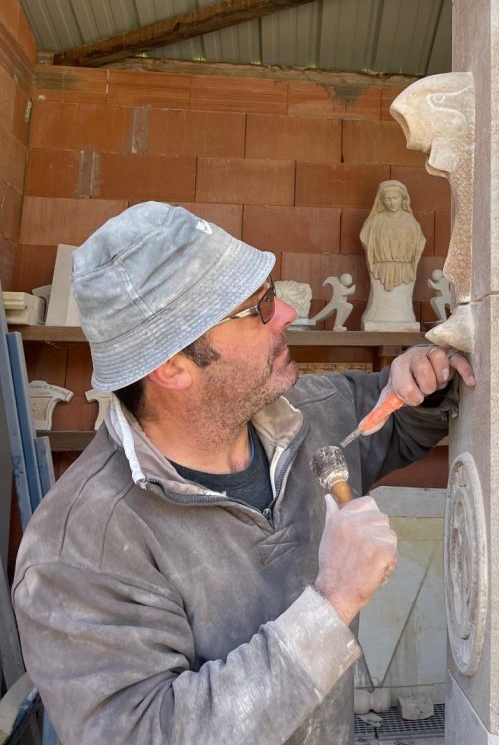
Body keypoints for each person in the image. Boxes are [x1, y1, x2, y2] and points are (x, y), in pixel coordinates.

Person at [11, 202, 475, 744]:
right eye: (258, 309)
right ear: (172, 367)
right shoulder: (80, 547)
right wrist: (331, 604)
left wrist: (422, 378)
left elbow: (394, 421)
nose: (284, 316)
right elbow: (146, 733)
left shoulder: (308, 412)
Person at [360, 180, 424, 329]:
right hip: (380, 268)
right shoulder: (374, 222)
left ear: (403, 199)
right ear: (382, 200)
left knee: (402, 304)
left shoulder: (411, 222)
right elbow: (365, 238)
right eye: (388, 199)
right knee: (380, 302)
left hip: (405, 269)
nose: (392, 203)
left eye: (395, 198)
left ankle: (404, 318)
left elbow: (419, 243)